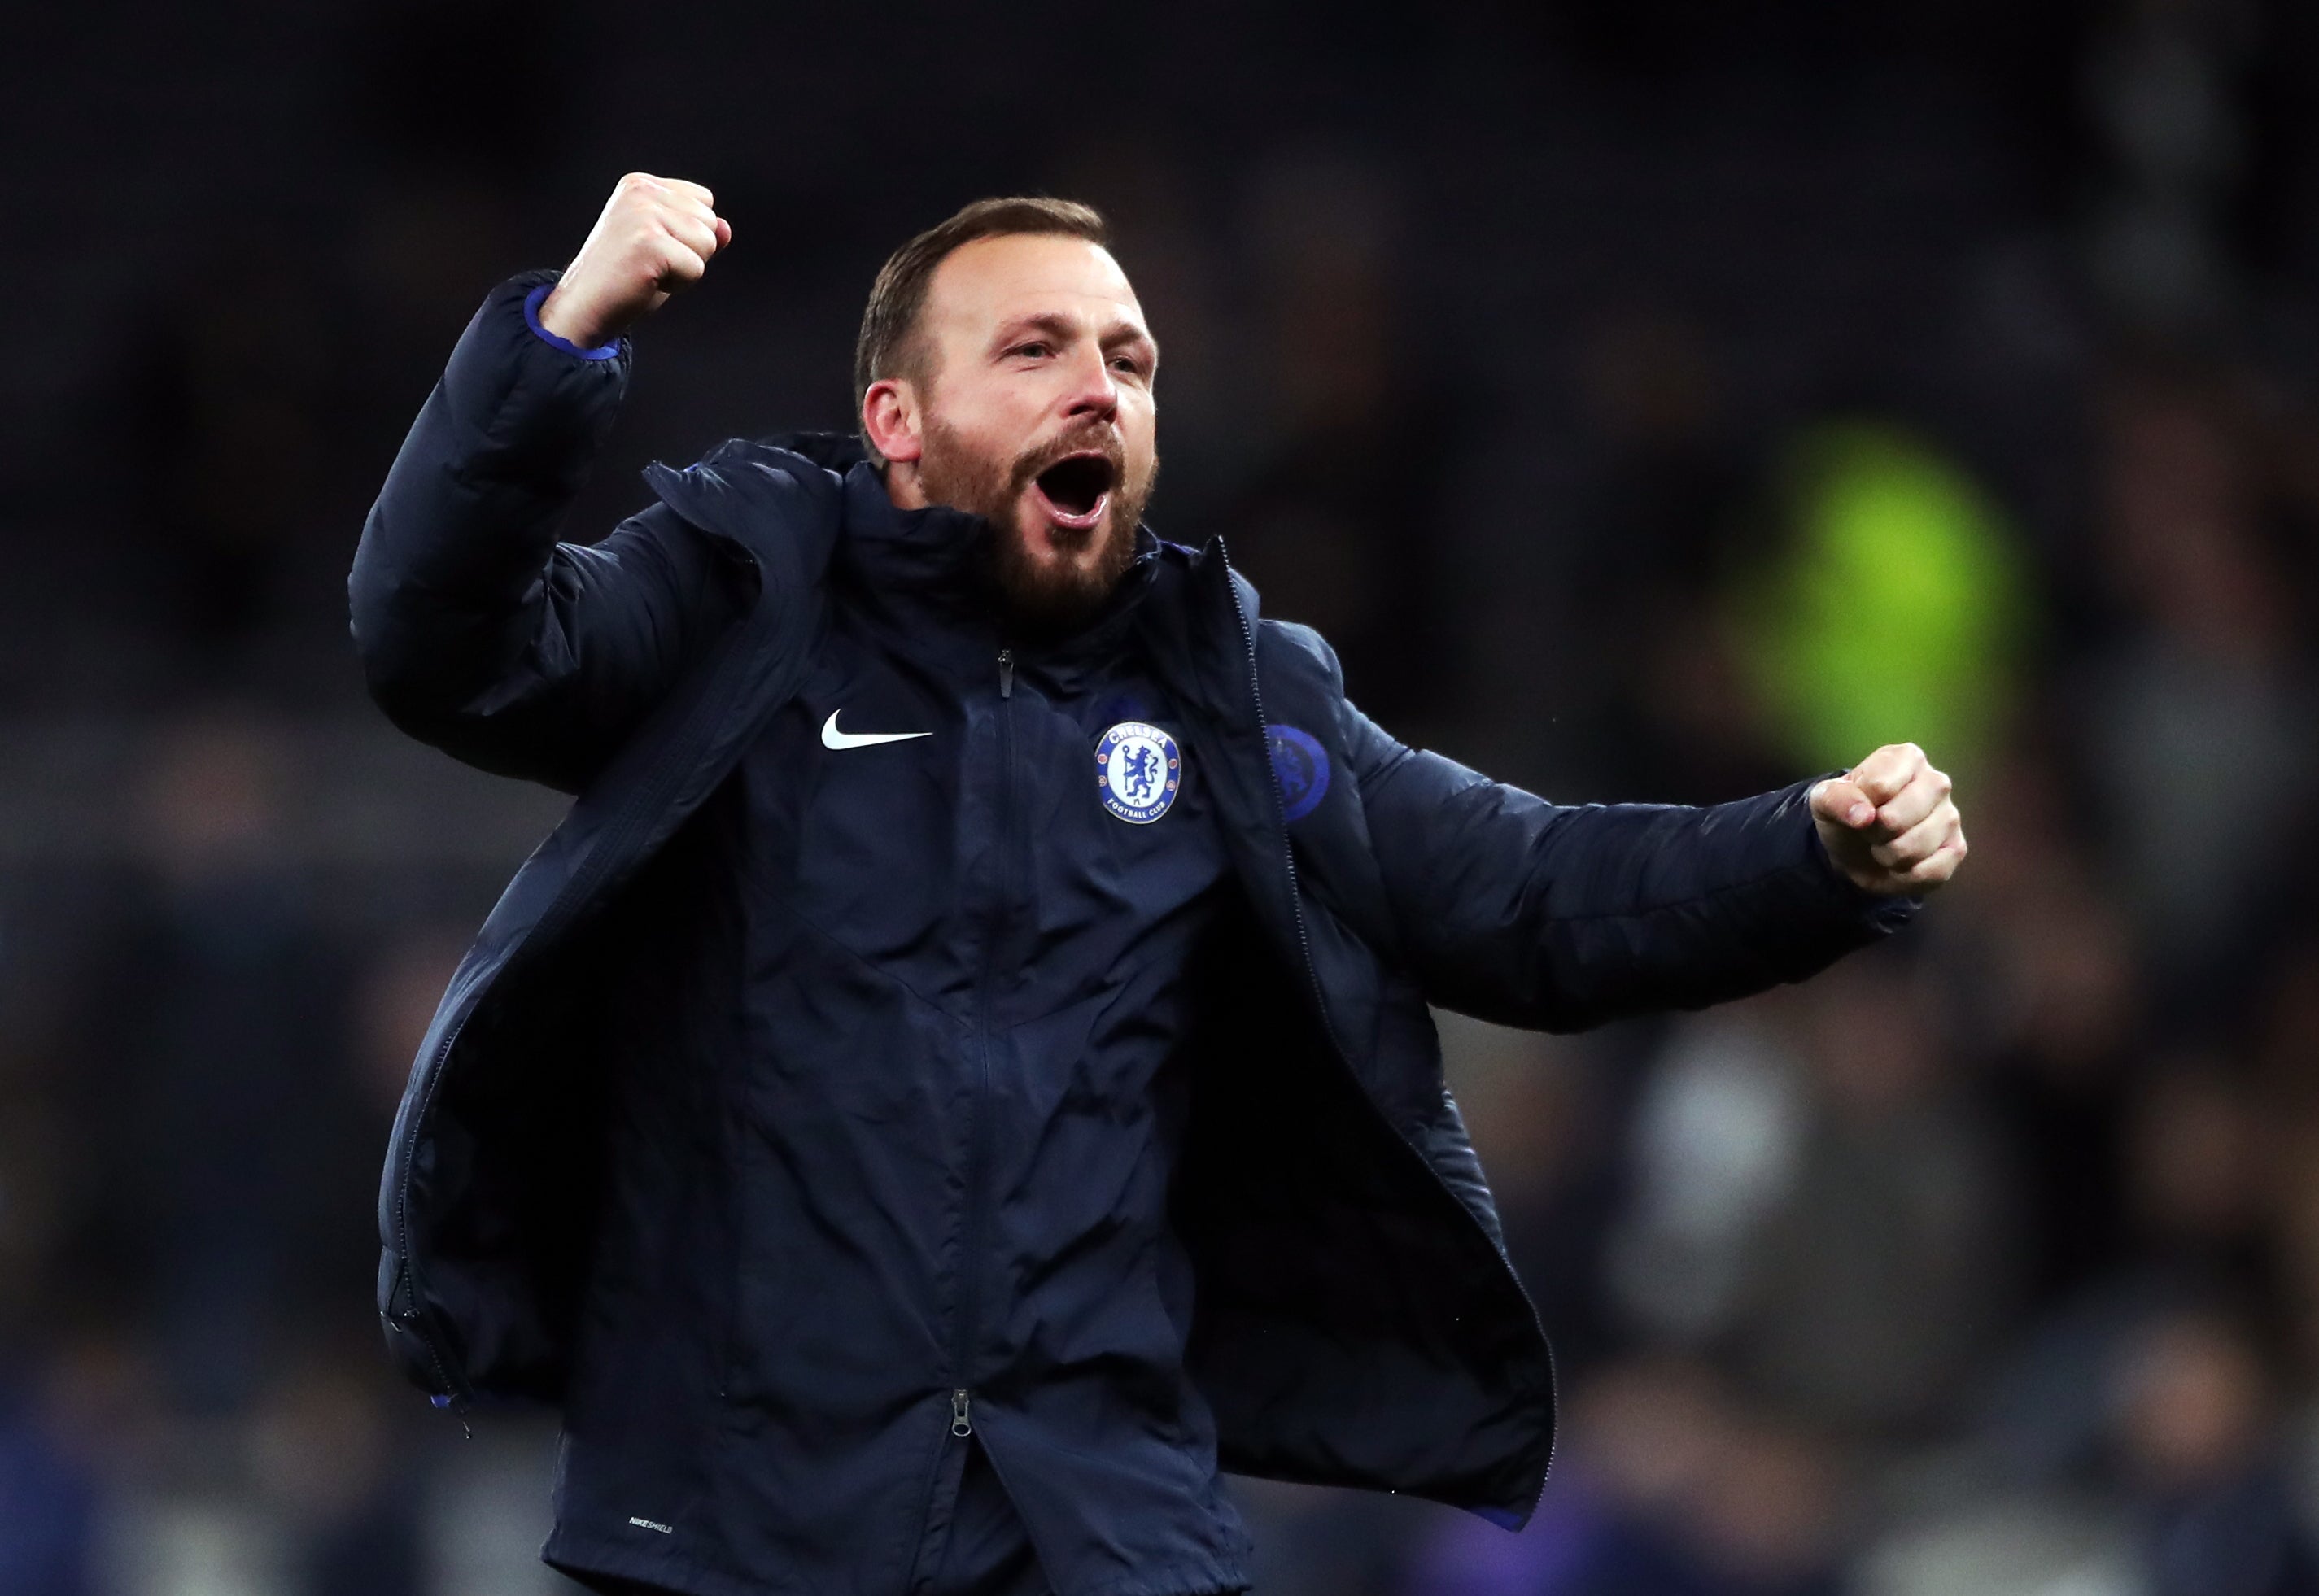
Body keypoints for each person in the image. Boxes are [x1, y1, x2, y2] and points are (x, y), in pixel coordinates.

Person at [347, 174, 1966, 1596]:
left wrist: (1805, 856)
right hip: (741, 1532)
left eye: (1128, 361)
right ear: (897, 425)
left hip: (1101, 1536)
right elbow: (440, 646)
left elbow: (1526, 896)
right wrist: (555, 347)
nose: (1099, 390)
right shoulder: (735, 609)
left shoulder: (1230, 701)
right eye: (1035, 350)